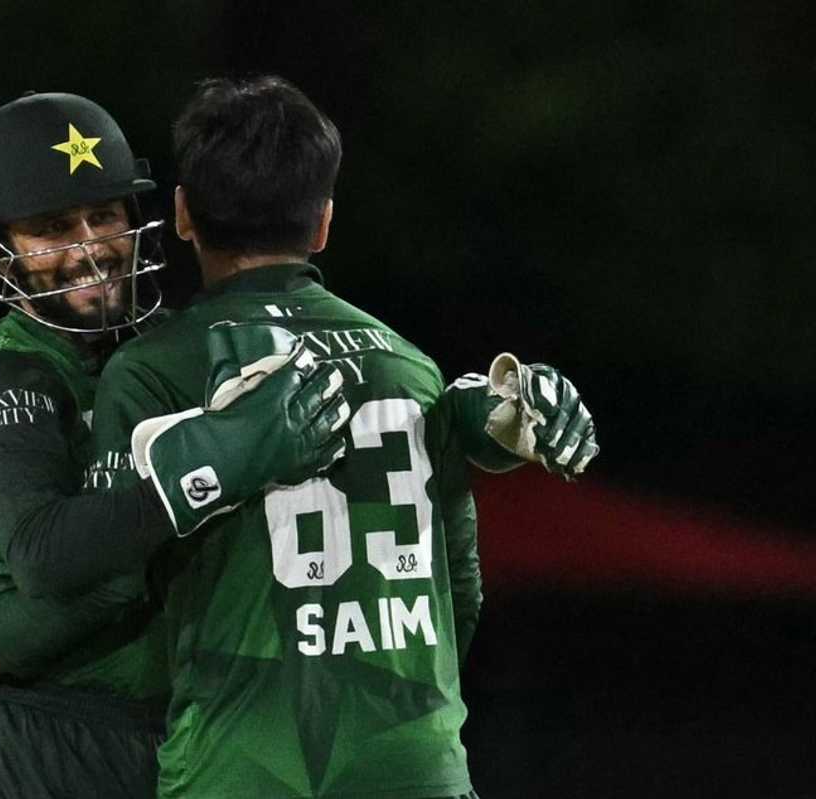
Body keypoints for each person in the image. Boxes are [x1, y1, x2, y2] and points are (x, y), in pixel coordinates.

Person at [83, 75, 597, 798]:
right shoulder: (409, 367)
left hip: (237, 771)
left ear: (183, 214)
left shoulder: (150, 372)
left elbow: (104, 602)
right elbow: (462, 597)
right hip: (417, 768)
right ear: (322, 222)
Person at [0, 91, 350, 799]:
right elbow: (58, 564)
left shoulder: (172, 345)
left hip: (185, 732)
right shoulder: (8, 377)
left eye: (105, 214)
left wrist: (465, 416)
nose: (91, 245)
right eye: (53, 227)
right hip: (39, 740)